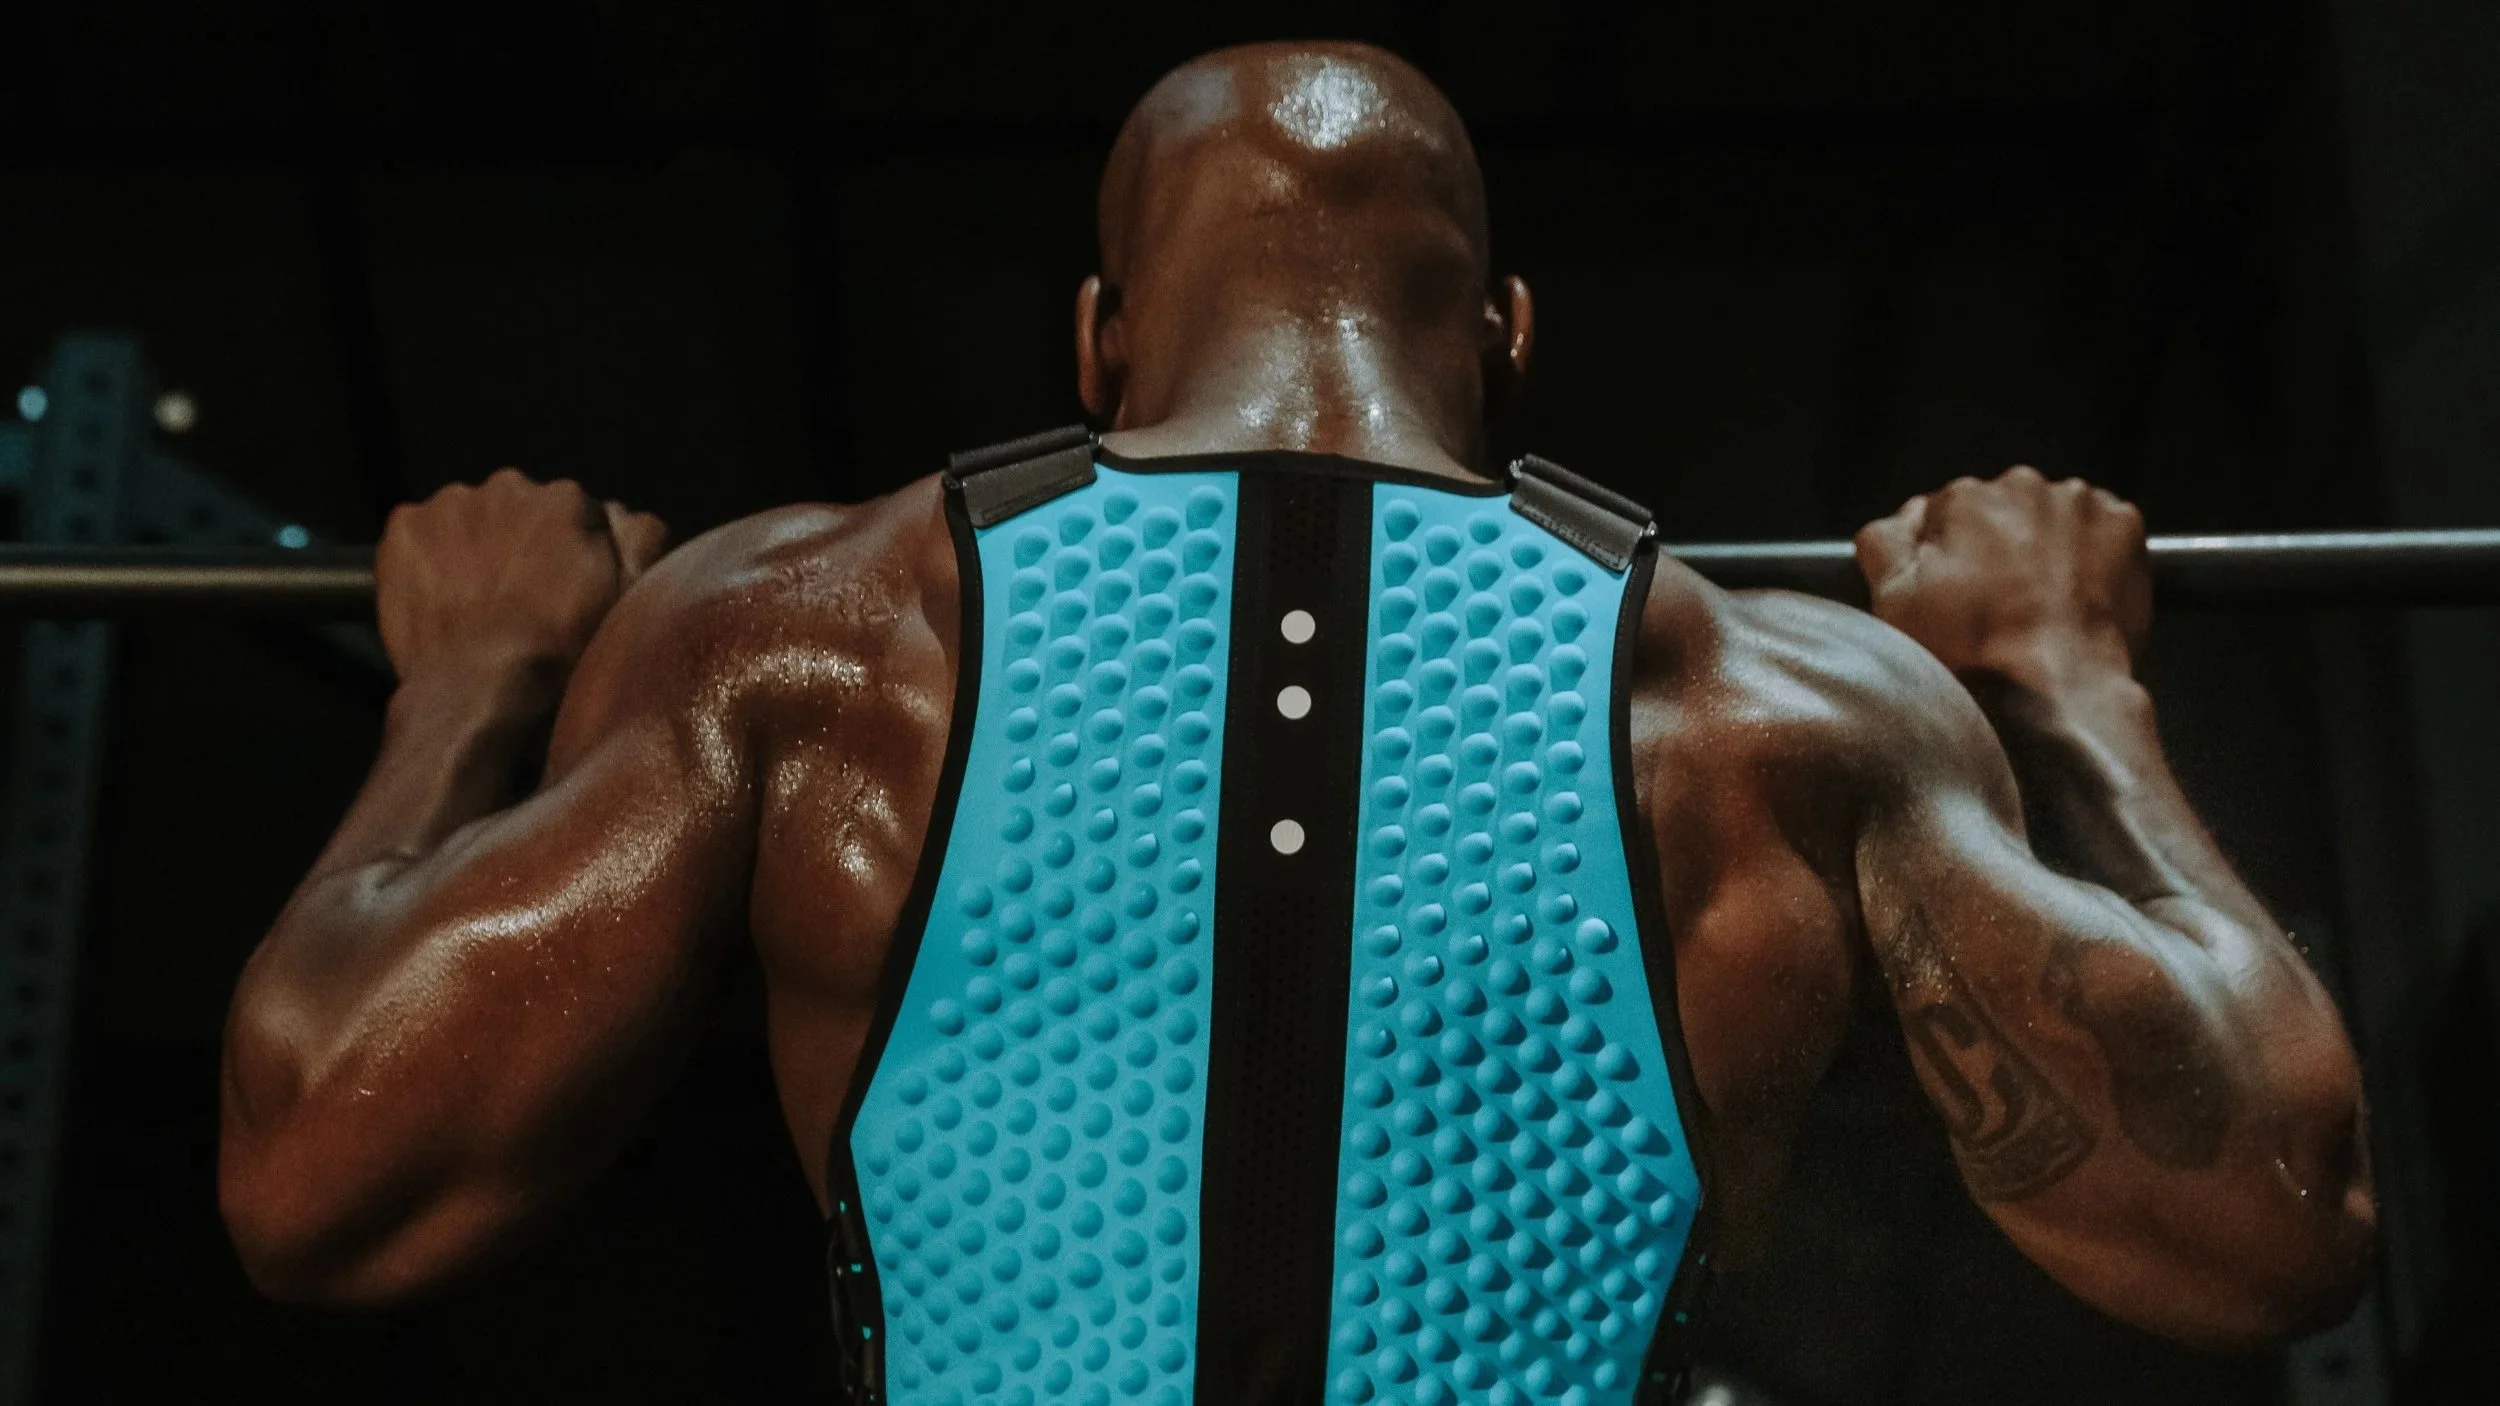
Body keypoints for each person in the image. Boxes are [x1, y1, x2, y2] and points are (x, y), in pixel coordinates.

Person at [218, 39, 2375, 1403]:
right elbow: (2265, 1221)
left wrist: (468, 686)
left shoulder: (808, 637)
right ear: (1508, 340)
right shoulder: (1772, 704)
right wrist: (2067, 683)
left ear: (1101, 332)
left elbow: (322, 1176)